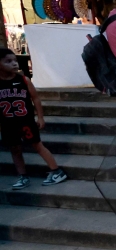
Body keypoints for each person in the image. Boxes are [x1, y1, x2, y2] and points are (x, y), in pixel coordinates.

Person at [0, 48, 68, 190]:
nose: (13, 64)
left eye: (14, 60)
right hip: (7, 123)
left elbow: (35, 98)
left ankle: (56, 171)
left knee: (37, 145)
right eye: (8, 61)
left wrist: (41, 117)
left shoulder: (23, 80)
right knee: (15, 149)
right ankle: (23, 176)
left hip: (25, 121)